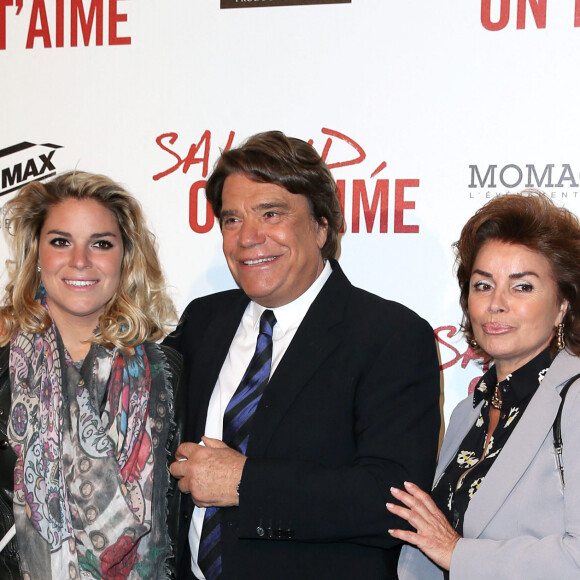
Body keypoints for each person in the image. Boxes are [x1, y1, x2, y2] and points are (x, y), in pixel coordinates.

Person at [165, 130, 441, 579]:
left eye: (270, 213)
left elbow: (392, 501)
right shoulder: (203, 321)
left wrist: (244, 484)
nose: (248, 237)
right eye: (232, 220)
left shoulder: (391, 335)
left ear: (321, 225)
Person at [0, 171, 185, 580]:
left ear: (125, 256)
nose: (79, 260)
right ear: (37, 253)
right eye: (61, 242)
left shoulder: (169, 369)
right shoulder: (2, 364)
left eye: (100, 243)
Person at [391, 190, 580, 579]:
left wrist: (458, 553)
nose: (497, 303)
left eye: (522, 286)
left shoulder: (575, 400)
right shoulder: (467, 413)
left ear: (562, 304)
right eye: (482, 285)